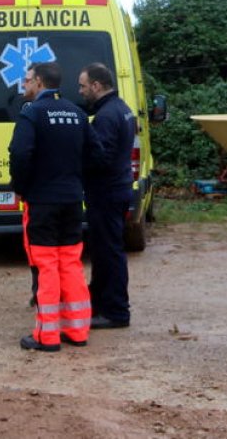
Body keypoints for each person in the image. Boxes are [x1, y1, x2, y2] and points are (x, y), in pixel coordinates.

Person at [9, 61, 94, 352]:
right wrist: (75, 180)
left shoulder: (31, 113)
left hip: (42, 201)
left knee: (45, 266)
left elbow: (20, 154)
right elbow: (95, 154)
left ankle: (47, 336)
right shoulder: (77, 113)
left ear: (41, 82)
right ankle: (77, 329)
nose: (24, 85)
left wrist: (21, 187)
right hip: (72, 199)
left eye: (28, 79)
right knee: (70, 263)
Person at [78, 62, 136, 330]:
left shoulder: (106, 117)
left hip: (106, 193)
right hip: (118, 189)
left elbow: (101, 158)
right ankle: (102, 305)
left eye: (83, 86)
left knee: (107, 253)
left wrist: (75, 164)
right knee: (108, 250)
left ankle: (115, 312)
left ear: (97, 86)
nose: (80, 91)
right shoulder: (122, 109)